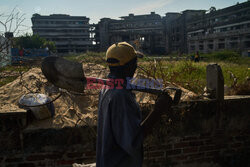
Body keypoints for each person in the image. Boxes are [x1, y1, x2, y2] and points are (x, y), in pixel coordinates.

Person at [96, 42, 172, 167]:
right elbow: (133, 140)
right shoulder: (121, 96)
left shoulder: (106, 86)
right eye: (135, 62)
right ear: (128, 66)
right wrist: (157, 111)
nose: (136, 67)